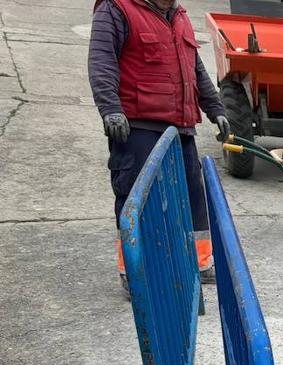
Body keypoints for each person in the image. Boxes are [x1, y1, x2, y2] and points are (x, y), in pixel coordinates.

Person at [87, 0, 230, 293]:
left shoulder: (178, 15)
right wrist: (110, 108)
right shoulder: (116, 9)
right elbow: (101, 60)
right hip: (138, 127)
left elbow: (195, 68)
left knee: (192, 198)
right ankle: (134, 272)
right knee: (136, 201)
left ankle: (199, 262)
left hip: (181, 127)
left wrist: (215, 108)